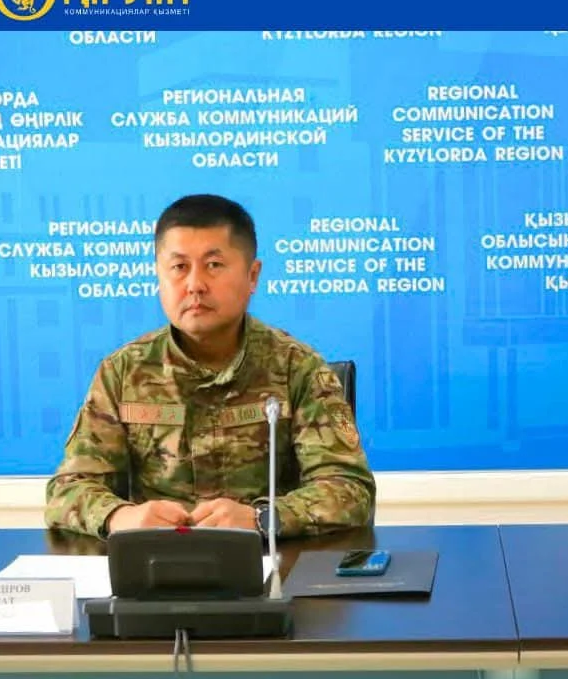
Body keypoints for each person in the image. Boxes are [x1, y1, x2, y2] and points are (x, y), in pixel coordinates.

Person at [46, 194, 375, 538]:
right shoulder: (123, 372)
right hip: (157, 559)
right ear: (158, 275)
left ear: (252, 276)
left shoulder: (298, 367)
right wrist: (120, 517)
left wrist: (263, 518)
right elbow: (68, 489)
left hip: (268, 560)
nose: (195, 285)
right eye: (179, 267)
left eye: (214, 265)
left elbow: (350, 489)